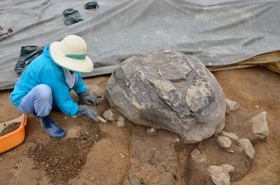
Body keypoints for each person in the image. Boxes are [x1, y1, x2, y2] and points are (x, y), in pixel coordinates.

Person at [9, 35, 100, 138]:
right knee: (43, 91)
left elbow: (74, 74)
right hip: (25, 100)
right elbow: (61, 95)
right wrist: (81, 110)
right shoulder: (49, 68)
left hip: (43, 93)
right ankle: (45, 121)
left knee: (50, 91)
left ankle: (51, 105)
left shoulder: (63, 61)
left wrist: (82, 93)